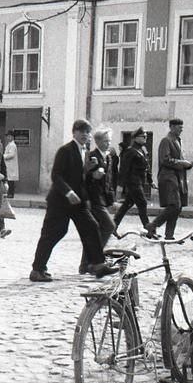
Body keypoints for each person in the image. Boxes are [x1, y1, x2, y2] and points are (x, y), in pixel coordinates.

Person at [29, 119, 119, 282]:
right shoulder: (66, 150)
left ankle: (96, 264)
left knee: (91, 226)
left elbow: (79, 175)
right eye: (82, 131)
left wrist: (91, 172)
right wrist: (68, 192)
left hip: (78, 201)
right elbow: (56, 175)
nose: (85, 134)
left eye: (87, 131)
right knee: (53, 233)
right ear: (74, 132)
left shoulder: (85, 151)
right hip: (60, 201)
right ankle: (37, 270)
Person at [146, 118, 193, 240]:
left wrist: (190, 164)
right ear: (171, 127)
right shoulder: (166, 141)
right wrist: (184, 163)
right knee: (175, 205)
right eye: (179, 127)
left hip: (177, 178)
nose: (181, 129)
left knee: (177, 206)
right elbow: (165, 160)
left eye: (182, 127)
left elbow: (180, 162)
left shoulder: (178, 141)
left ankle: (169, 235)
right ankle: (152, 226)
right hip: (168, 177)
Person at [81, 126, 117, 273]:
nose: (108, 143)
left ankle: (85, 265)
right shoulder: (92, 155)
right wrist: (93, 173)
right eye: (105, 141)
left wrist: (111, 200)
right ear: (97, 141)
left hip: (103, 199)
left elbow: (109, 180)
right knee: (109, 226)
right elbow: (84, 176)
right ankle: (95, 259)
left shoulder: (108, 157)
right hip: (93, 199)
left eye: (109, 141)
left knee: (93, 231)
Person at [113, 127, 152, 231]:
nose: (145, 138)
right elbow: (123, 169)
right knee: (142, 203)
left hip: (139, 182)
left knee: (127, 204)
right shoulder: (130, 151)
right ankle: (149, 229)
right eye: (143, 136)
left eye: (146, 136)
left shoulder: (142, 150)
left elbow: (146, 167)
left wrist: (150, 181)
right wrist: (120, 186)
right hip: (133, 182)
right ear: (135, 138)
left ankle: (113, 226)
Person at [3, 133, 19, 198]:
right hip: (9, 165)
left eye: (9, 136)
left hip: (11, 165)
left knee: (11, 180)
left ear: (12, 137)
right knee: (9, 179)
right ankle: (9, 193)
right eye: (7, 136)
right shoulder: (10, 145)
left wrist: (3, 156)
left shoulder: (12, 145)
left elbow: (12, 155)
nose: (8, 138)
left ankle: (11, 194)